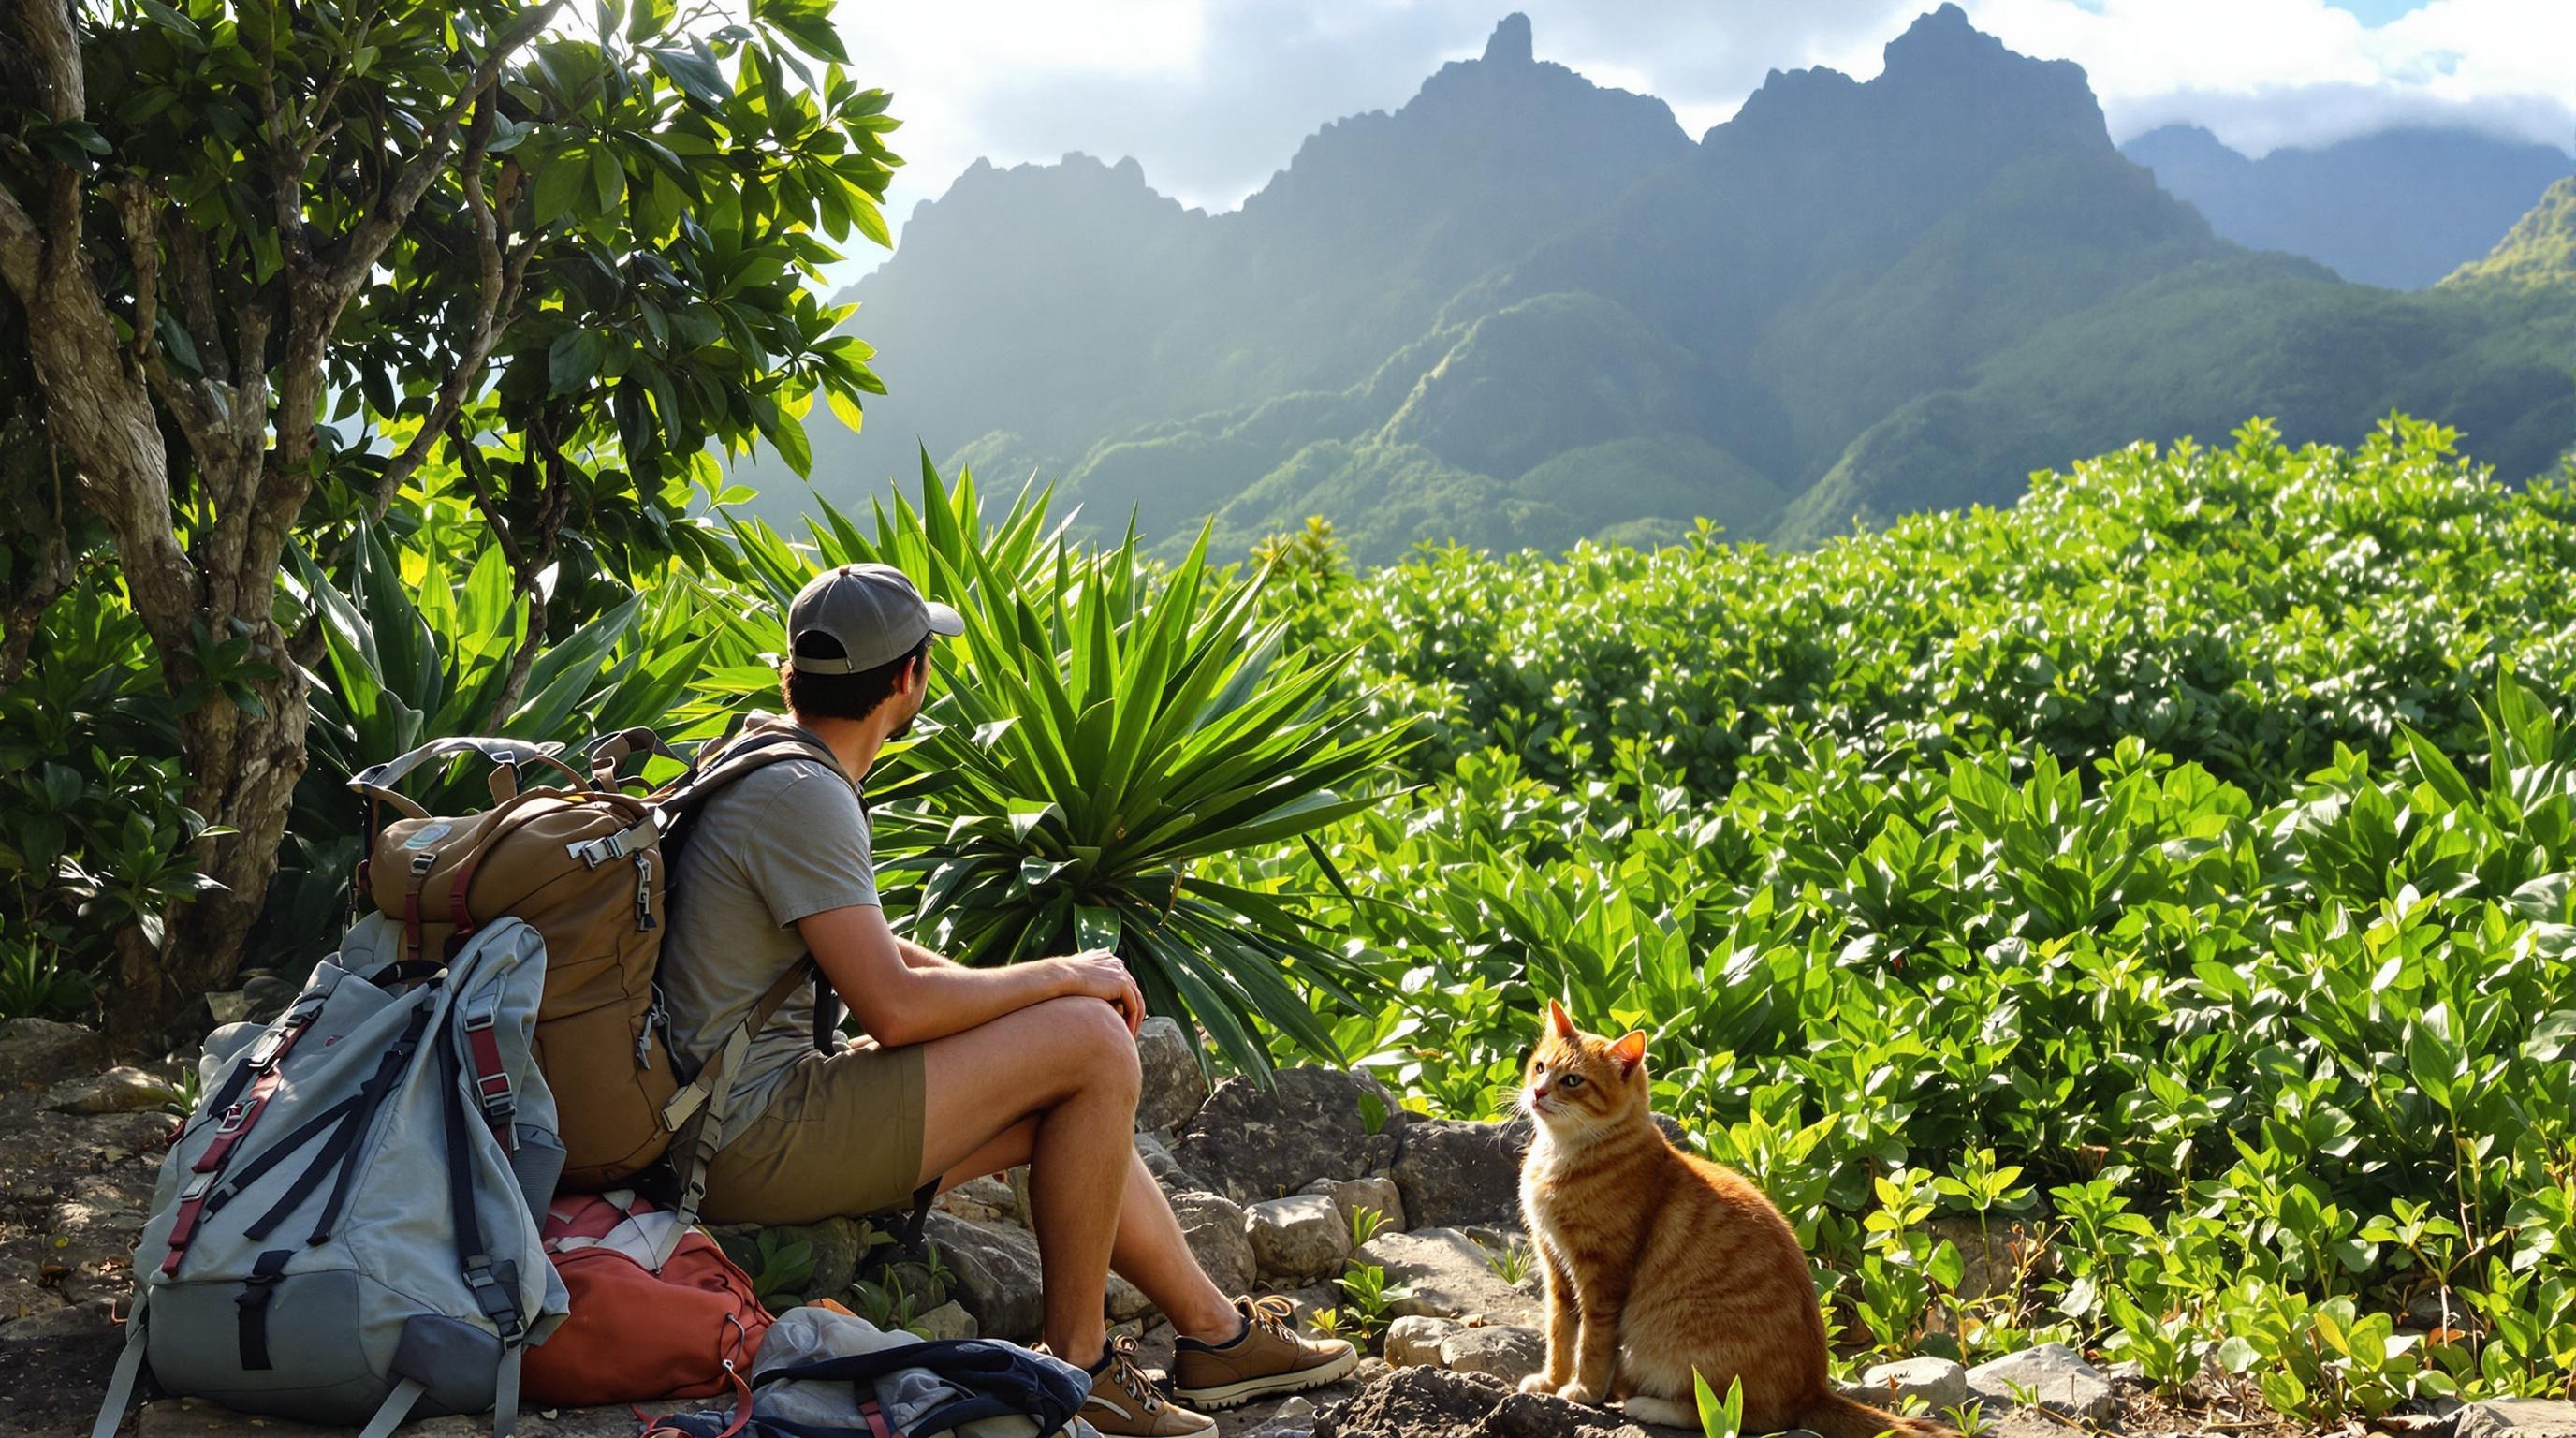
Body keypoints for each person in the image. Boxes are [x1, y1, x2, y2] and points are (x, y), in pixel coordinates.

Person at [659, 562, 1355, 1437]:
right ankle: (1083, 1363)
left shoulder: (763, 757)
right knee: (1095, 1046)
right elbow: (896, 1010)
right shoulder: (806, 797)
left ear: (792, 672)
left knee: (1073, 1117)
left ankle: (1213, 1333)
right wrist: (1064, 977)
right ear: (908, 678)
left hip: (726, 1119)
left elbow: (860, 944)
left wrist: (1014, 1005)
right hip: (751, 1134)